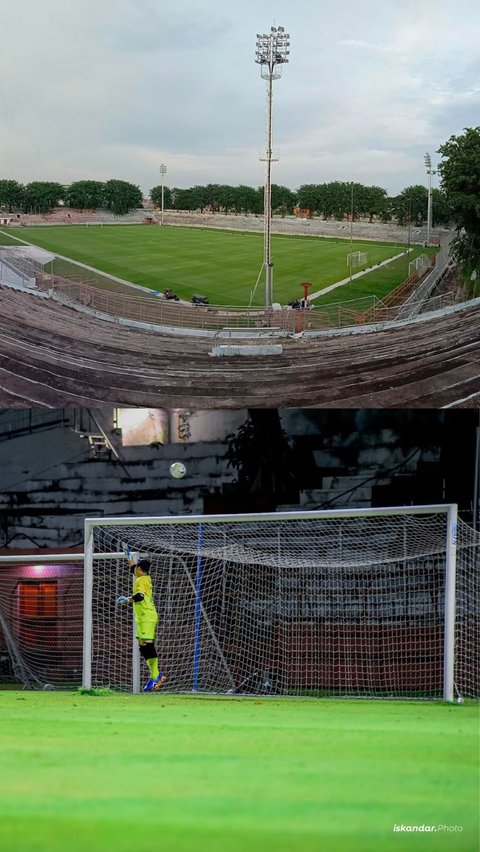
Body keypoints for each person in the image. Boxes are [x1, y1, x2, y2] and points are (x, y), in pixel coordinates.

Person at [116, 545, 166, 692]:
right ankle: (155, 676)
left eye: (136, 568)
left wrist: (126, 599)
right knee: (142, 645)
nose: (134, 570)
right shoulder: (143, 576)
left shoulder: (142, 580)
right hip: (143, 616)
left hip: (147, 615)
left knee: (148, 645)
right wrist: (128, 557)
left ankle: (156, 675)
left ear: (140, 569)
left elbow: (140, 596)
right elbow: (132, 568)